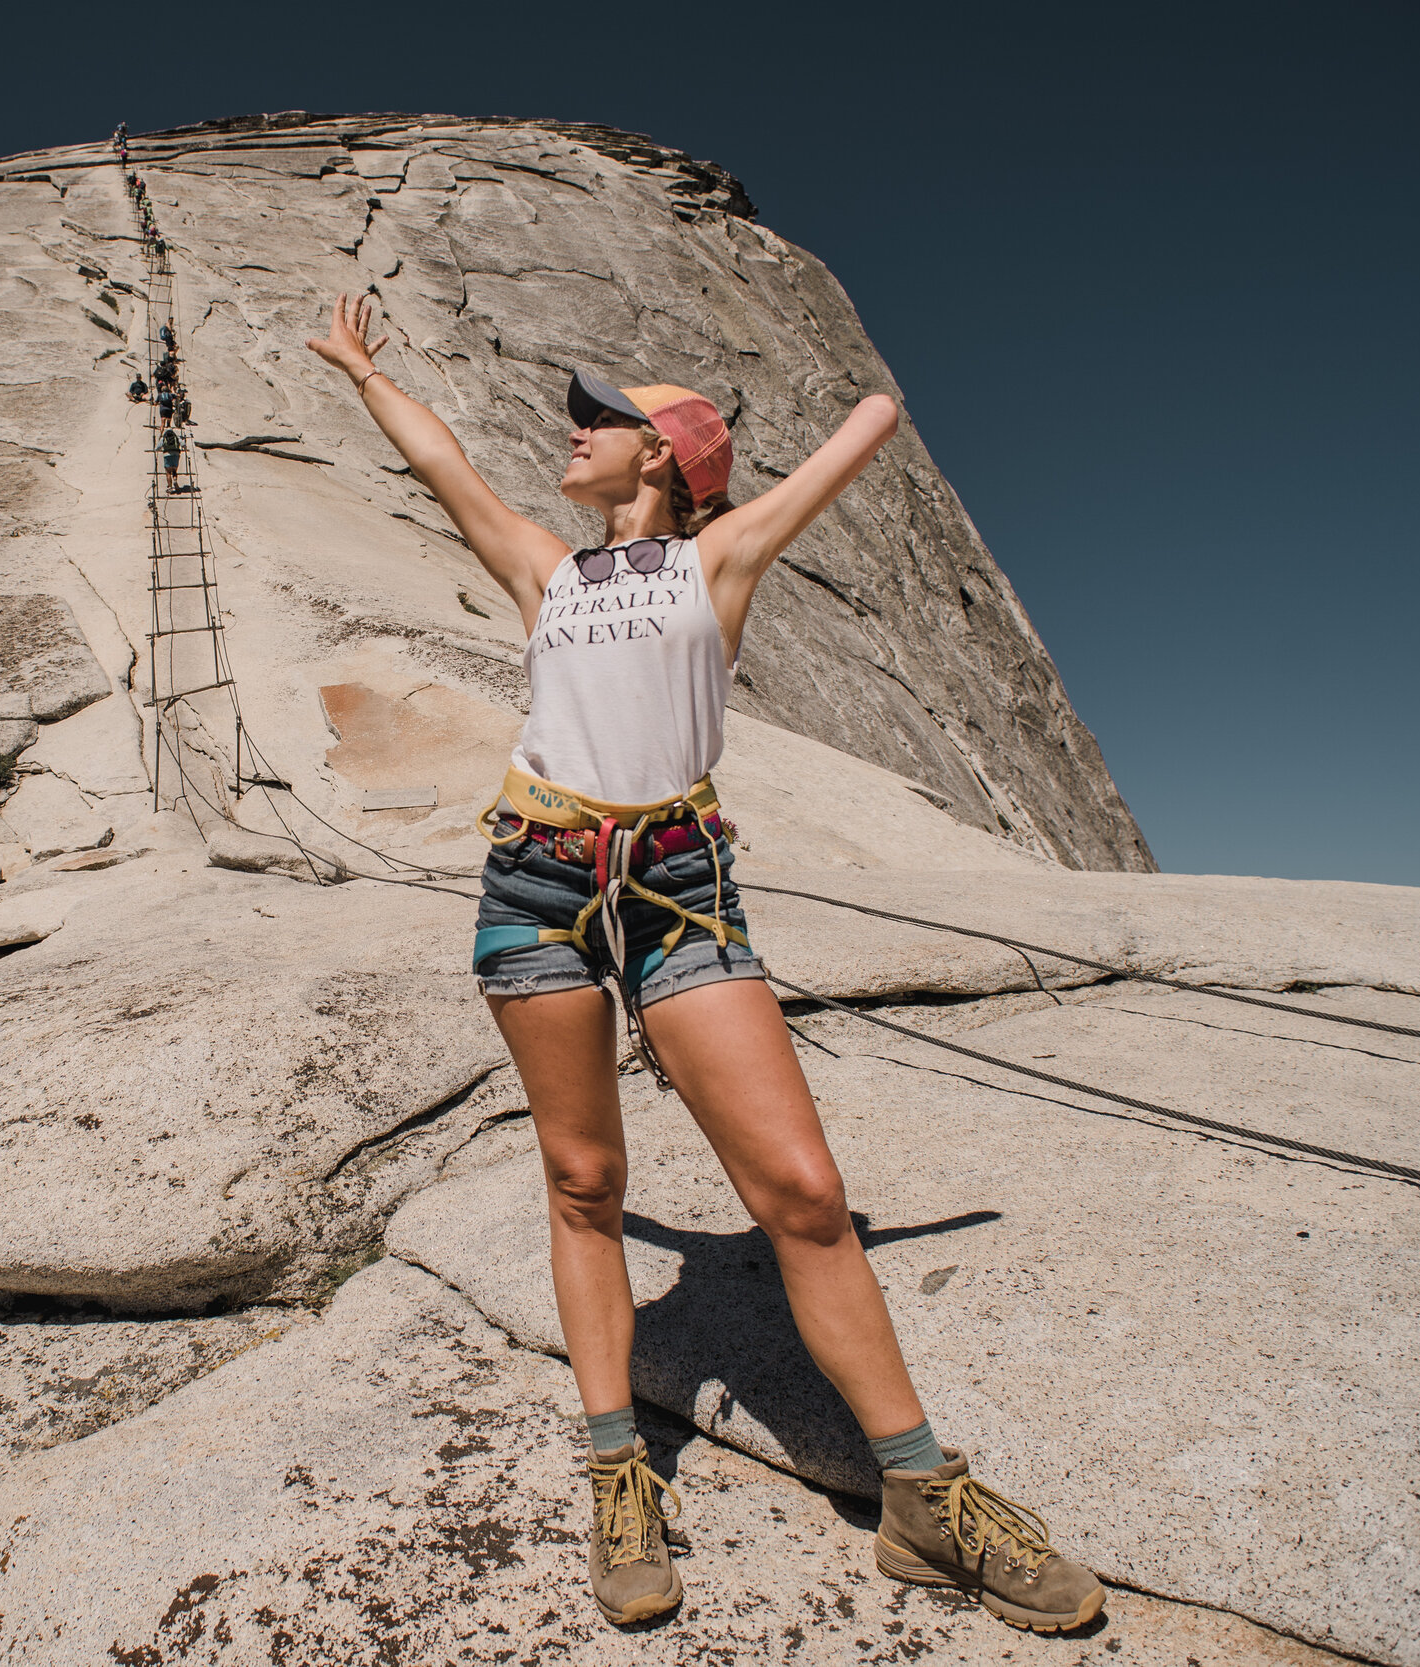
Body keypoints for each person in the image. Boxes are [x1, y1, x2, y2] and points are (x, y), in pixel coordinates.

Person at [305, 294, 1105, 1636]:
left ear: (663, 455)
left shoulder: (720, 560)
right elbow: (440, 466)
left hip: (680, 886)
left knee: (800, 1189)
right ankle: (619, 1470)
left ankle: (922, 1499)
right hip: (539, 880)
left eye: (601, 424)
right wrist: (363, 375)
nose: (574, 436)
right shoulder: (547, 574)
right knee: (585, 1180)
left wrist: (869, 397)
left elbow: (859, 434)